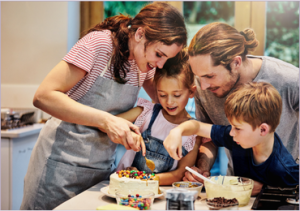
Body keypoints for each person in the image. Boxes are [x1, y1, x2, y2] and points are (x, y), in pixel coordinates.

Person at [20, 2, 187, 210]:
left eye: (166, 59)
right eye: (159, 55)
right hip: (59, 167)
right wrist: (107, 121)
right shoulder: (100, 44)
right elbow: (43, 96)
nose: (161, 65)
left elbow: (165, 104)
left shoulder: (144, 63)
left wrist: (197, 134)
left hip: (100, 171)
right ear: (140, 34)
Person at [164, 22, 299, 195]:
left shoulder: (289, 80)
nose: (203, 86)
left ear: (235, 62)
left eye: (209, 76)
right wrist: (202, 169)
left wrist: (268, 189)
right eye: (198, 77)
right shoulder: (203, 86)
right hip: (236, 190)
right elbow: (208, 136)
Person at [165, 82, 299, 191]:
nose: (231, 132)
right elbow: (198, 127)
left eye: (237, 128)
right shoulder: (239, 138)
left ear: (263, 129)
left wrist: (265, 189)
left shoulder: (285, 171)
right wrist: (177, 131)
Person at [116, 49, 201, 185]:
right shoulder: (146, 112)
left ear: (191, 91)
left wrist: (140, 179)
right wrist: (128, 132)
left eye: (177, 95)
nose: (169, 102)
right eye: (162, 95)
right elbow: (110, 123)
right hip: (122, 186)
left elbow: (179, 174)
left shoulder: (193, 134)